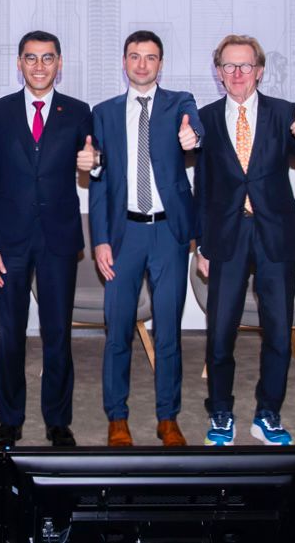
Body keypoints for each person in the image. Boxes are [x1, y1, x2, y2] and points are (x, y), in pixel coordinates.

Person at [194, 34, 295, 447]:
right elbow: (203, 187)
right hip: (226, 237)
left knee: (278, 333)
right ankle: (220, 411)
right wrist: (201, 245)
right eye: (229, 66)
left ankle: (268, 413)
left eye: (246, 65)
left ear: (260, 71)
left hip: (275, 235)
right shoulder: (205, 118)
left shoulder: (284, 113)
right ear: (219, 73)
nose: (237, 73)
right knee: (220, 333)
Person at [83, 29, 201, 447]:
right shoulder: (104, 113)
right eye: (135, 56)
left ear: (160, 64)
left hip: (169, 234)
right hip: (123, 236)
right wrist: (100, 239)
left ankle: (168, 417)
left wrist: (193, 136)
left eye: (150, 57)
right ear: (124, 61)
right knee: (118, 331)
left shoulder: (180, 103)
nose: (142, 64)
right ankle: (117, 417)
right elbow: (99, 179)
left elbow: (194, 130)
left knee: (168, 332)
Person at [0, 31, 93, 450]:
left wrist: (94, 163)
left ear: (59, 63)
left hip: (58, 240)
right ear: (19, 63)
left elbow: (96, 161)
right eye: (31, 58)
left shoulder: (78, 111)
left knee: (57, 334)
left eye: (47, 58)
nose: (39, 66)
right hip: (8, 244)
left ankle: (58, 422)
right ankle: (9, 422)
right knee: (10, 335)